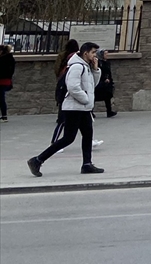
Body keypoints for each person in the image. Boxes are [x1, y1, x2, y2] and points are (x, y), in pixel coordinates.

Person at [27, 41, 104, 176]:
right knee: (68, 138)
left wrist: (96, 70)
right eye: (93, 52)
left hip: (83, 108)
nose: (94, 55)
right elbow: (73, 87)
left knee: (87, 135)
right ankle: (37, 160)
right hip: (74, 108)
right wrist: (85, 99)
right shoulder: (77, 66)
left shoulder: (86, 66)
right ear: (85, 53)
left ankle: (87, 164)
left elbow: (92, 85)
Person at [49, 38, 79, 143]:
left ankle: (89, 140)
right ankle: (55, 141)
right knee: (64, 119)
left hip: (63, 82)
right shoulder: (77, 58)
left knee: (83, 121)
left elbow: (56, 67)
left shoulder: (62, 55)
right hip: (67, 85)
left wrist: (59, 76)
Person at [95, 49, 117, 117]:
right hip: (100, 83)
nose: (107, 55)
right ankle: (90, 112)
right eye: (105, 54)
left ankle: (109, 111)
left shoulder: (107, 62)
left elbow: (109, 72)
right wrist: (104, 79)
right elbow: (98, 72)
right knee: (95, 97)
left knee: (107, 97)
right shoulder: (98, 63)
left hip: (107, 83)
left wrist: (110, 80)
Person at [0, 43, 14, 121]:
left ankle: (4, 115)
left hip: (3, 81)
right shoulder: (9, 58)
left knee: (1, 98)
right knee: (1, 98)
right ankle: (4, 115)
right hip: (6, 80)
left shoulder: (4, 59)